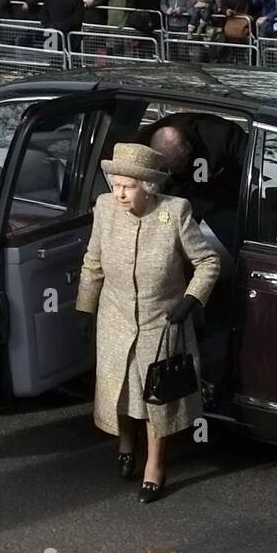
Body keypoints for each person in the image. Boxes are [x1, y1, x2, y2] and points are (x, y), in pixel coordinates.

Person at [76, 143, 221, 502]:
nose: (120, 193)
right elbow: (92, 263)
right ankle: (126, 445)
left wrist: (190, 301)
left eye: (130, 186)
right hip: (115, 315)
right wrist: (85, 309)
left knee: (157, 397)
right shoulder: (105, 208)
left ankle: (154, 466)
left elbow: (208, 262)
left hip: (161, 320)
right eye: (117, 184)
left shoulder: (175, 212)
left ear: (149, 187)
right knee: (120, 388)